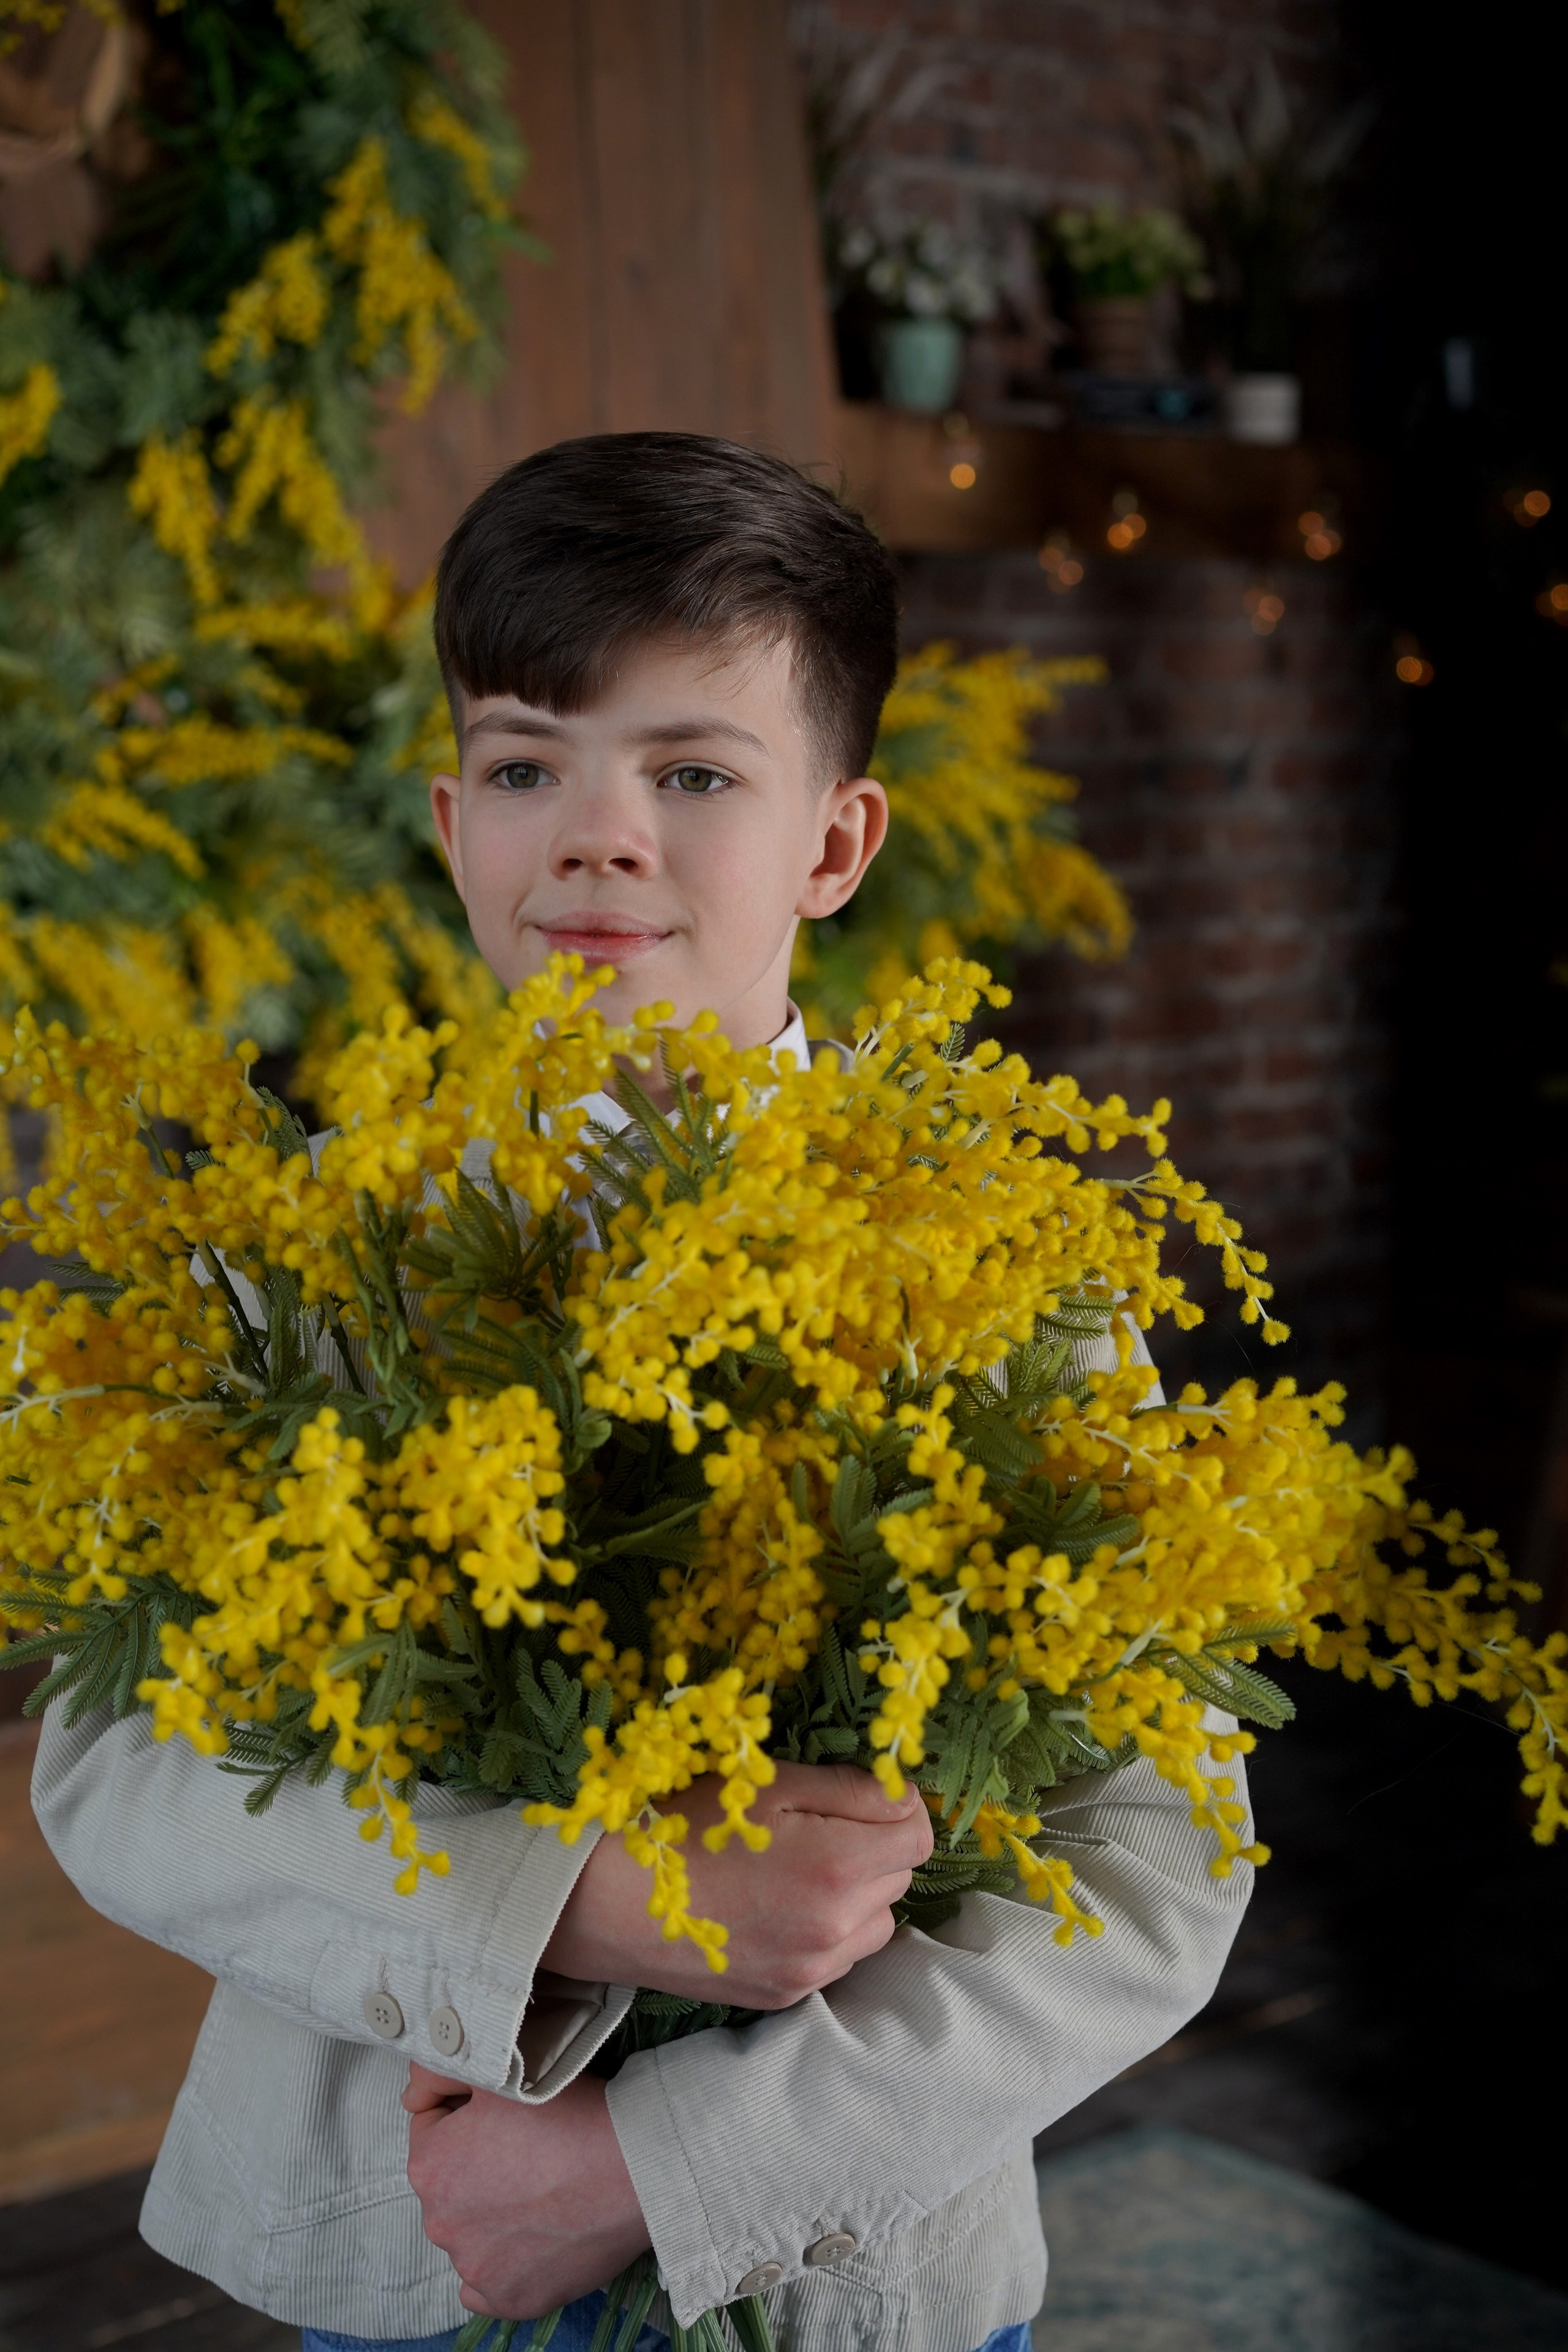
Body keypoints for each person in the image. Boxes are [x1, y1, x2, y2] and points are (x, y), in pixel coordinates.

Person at [33, 434, 1253, 2352]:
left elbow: (1157, 1859)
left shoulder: (1017, 1282)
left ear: (836, 844)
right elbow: (118, 1771)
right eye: (530, 765)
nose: (598, 835)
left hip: (856, 2277)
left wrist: (654, 2173)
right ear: (452, 823)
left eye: (692, 771)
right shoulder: (293, 1272)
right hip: (393, 2251)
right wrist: (585, 1900)